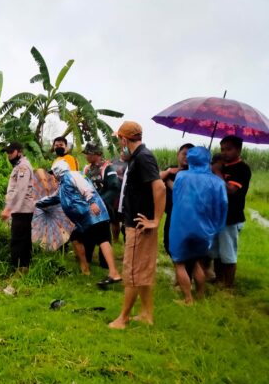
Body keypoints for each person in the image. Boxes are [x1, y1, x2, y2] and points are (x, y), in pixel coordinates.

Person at [109, 121, 165, 329]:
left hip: (139, 224)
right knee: (143, 270)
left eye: (119, 139)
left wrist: (155, 220)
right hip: (138, 221)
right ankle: (146, 314)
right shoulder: (137, 157)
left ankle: (122, 318)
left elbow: (159, 188)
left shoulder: (143, 157)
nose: (118, 143)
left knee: (131, 272)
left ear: (124, 139)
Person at [37, 161, 122, 285]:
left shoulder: (73, 175)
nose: (53, 176)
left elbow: (85, 187)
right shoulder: (62, 186)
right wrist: (36, 203)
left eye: (53, 173)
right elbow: (54, 198)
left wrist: (92, 202)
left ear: (58, 171)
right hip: (83, 220)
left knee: (103, 240)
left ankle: (113, 273)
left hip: (94, 214)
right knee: (77, 237)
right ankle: (86, 269)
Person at [169, 147, 227, 304]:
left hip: (181, 227)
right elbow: (223, 206)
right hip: (205, 229)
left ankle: (188, 299)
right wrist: (216, 227)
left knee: (180, 263)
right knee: (197, 261)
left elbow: (176, 199)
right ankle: (200, 294)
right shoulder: (218, 182)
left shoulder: (181, 176)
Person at [208, 135, 252, 288]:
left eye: (229, 149)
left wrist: (217, 172)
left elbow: (231, 190)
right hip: (216, 217)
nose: (225, 152)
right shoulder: (221, 166)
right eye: (222, 149)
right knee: (216, 253)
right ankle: (218, 279)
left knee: (228, 254)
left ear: (239, 149)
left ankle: (228, 287)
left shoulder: (242, 169)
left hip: (231, 217)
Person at [82, 142, 121, 269]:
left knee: (104, 235)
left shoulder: (108, 168)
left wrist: (101, 202)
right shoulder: (87, 169)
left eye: (88, 153)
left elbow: (114, 187)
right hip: (89, 206)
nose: (86, 156)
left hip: (103, 207)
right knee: (88, 233)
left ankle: (105, 263)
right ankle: (87, 258)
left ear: (96, 154)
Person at [0, 142, 35, 269]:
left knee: (18, 240)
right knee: (23, 239)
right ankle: (24, 267)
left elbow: (20, 190)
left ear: (19, 151)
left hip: (22, 209)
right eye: (7, 152)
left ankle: (19, 268)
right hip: (21, 208)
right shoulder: (18, 166)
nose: (9, 155)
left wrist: (8, 208)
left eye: (11, 152)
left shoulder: (23, 167)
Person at [160, 143, 195, 256]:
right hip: (171, 213)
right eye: (184, 154)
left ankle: (184, 271)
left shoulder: (193, 173)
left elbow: (183, 193)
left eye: (191, 155)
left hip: (187, 217)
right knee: (168, 243)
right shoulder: (171, 169)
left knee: (185, 249)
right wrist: (169, 172)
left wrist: (169, 182)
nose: (187, 157)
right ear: (178, 154)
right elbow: (156, 179)